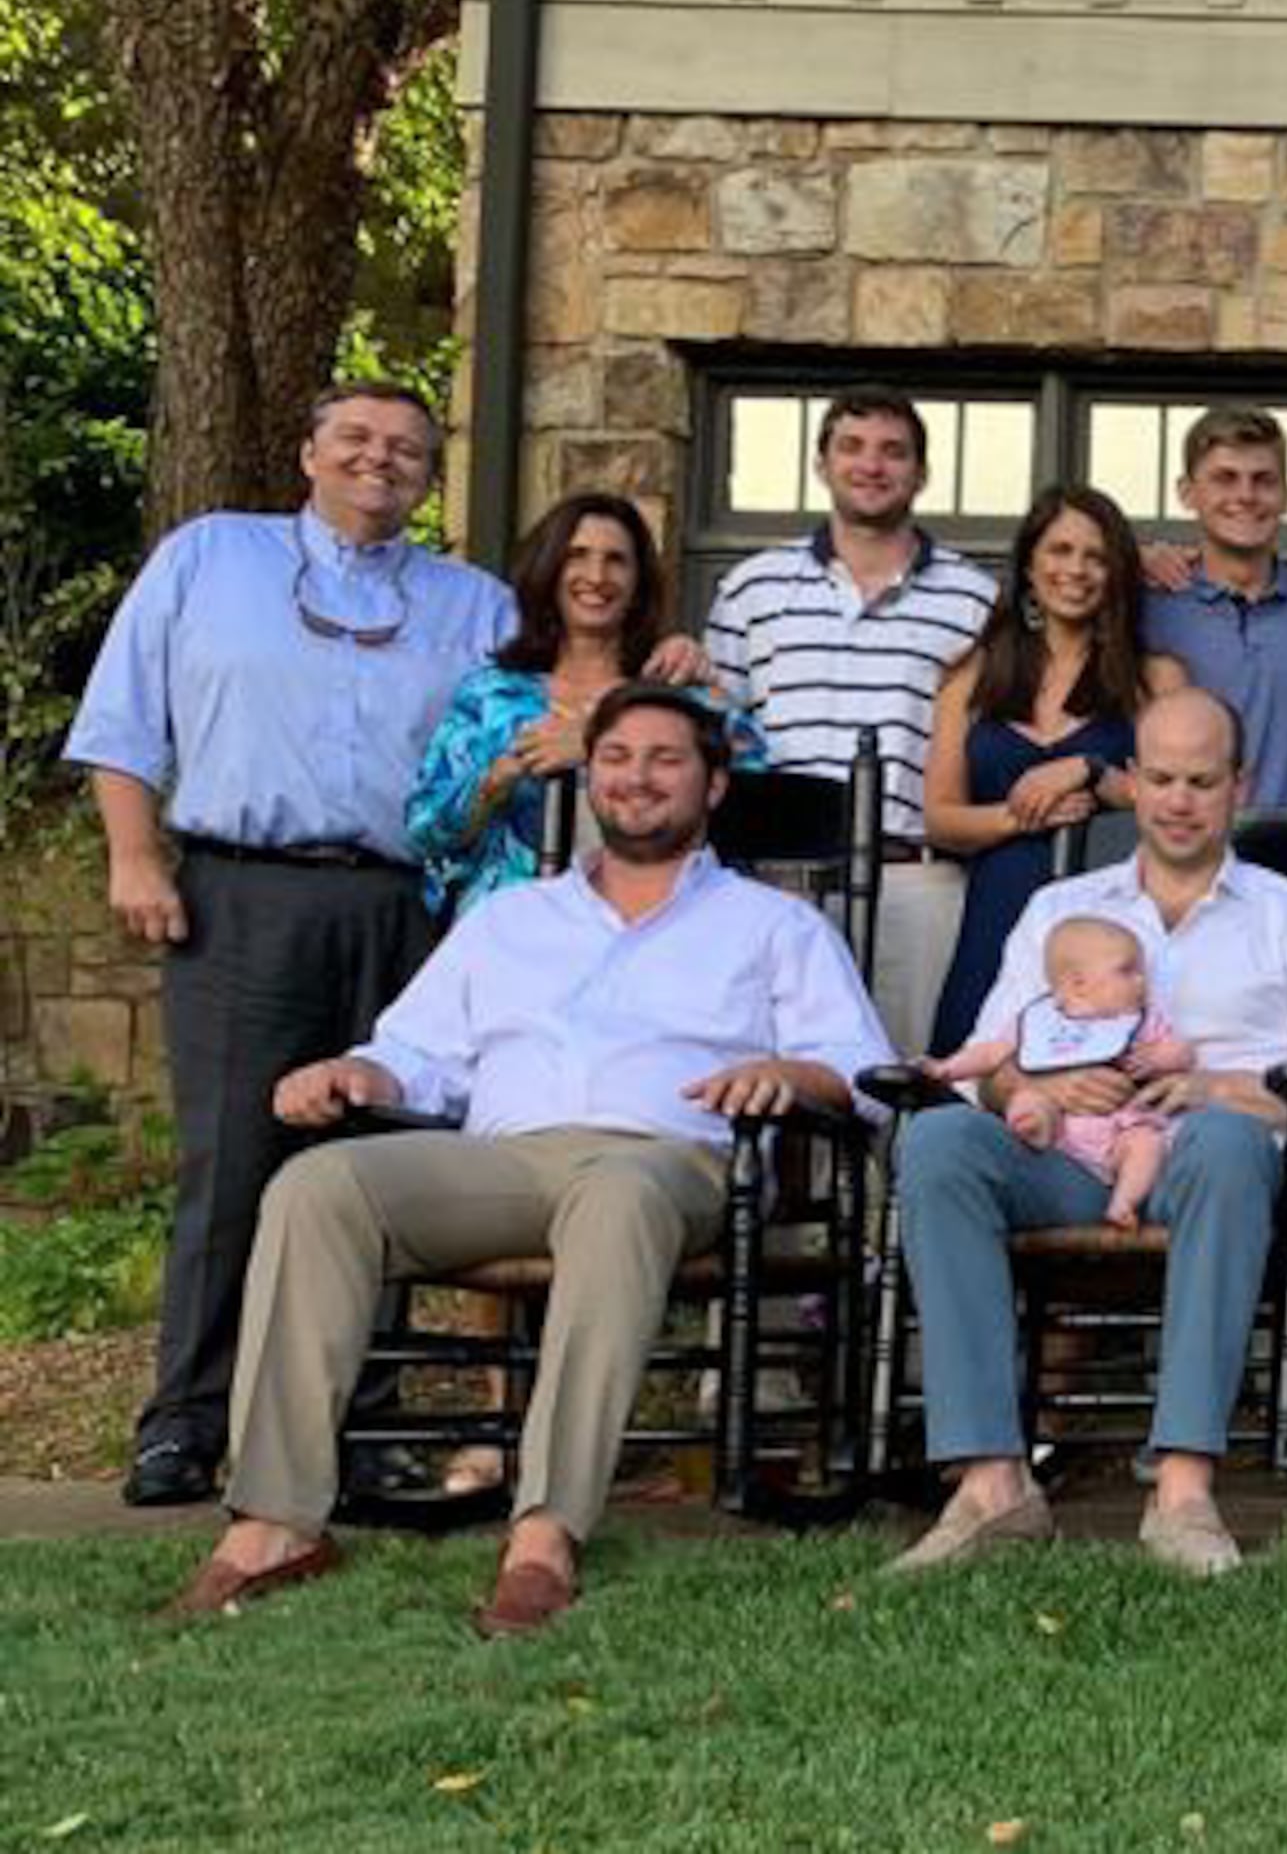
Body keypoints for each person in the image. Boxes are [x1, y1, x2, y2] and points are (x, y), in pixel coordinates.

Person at [159, 684, 890, 1635]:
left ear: (714, 785)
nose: (636, 778)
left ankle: (545, 1531)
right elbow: (416, 1052)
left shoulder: (773, 925)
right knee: (317, 1185)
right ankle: (274, 1524)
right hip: (503, 1161)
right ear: (592, 777)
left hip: (667, 1162)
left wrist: (787, 1073)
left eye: (667, 759)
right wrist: (357, 1070)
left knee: (617, 1197)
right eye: (617, 757)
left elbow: (864, 1071)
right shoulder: (510, 920)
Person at [68, 381, 520, 1509]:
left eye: (408, 449)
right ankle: (185, 1423)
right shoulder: (208, 560)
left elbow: (561, 697)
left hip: (410, 908)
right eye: (357, 439)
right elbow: (122, 724)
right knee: (232, 1167)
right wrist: (134, 858)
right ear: (310, 451)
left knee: (382, 1164)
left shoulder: (475, 604)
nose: (382, 461)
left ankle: (363, 1424)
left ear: (430, 474)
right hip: (241, 895)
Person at [889, 689, 1287, 1578]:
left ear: (1239, 785)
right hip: (1066, 1153)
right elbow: (991, 1068)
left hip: (1216, 1160)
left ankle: (1184, 1492)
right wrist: (1035, 1084)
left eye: (1202, 780)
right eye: (1159, 777)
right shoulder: (1060, 909)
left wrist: (1218, 1087)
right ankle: (991, 1484)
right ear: (1131, 782)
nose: (1178, 799)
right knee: (936, 1146)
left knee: (1228, 1142)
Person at [704, 390, 998, 1049]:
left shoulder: (976, 600)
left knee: (901, 1081)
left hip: (912, 881)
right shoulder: (752, 588)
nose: (873, 465)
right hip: (778, 885)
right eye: (853, 447)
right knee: (769, 1079)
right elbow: (719, 741)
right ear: (822, 464)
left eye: (894, 451)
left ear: (921, 474)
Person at [407, 492, 766, 917]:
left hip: (660, 931)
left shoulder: (680, 696)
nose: (596, 575)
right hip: (513, 937)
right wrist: (502, 775)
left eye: (616, 560)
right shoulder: (492, 695)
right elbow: (424, 832)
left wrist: (599, 743)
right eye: (577, 555)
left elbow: (759, 807)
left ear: (638, 584)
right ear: (549, 570)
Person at [922, 483, 1183, 1055]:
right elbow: (939, 819)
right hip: (996, 910)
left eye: (1096, 556)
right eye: (1060, 551)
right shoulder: (973, 677)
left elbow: (1175, 802)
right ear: (1029, 564)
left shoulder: (1154, 680)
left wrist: (1089, 770)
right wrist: (1026, 818)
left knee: (1101, 1103)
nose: (1077, 569)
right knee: (978, 1074)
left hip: (1111, 929)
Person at [1137, 404, 1287, 815]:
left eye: (1263, 481)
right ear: (1187, 493)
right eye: (1225, 478)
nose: (1245, 495)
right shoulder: (1146, 610)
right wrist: (1130, 558)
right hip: (1178, 866)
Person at [921, 915, 1194, 1231]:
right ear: (1078, 983)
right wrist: (947, 1068)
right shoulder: (1038, 1020)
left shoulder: (1141, 1021)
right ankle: (1030, 1128)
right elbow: (991, 1053)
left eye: (1142, 973)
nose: (1141, 981)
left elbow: (1182, 1051)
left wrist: (1160, 1059)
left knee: (1148, 1142)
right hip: (1058, 1139)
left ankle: (1124, 1202)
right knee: (1027, 1096)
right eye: (1127, 971)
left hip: (1118, 1128)